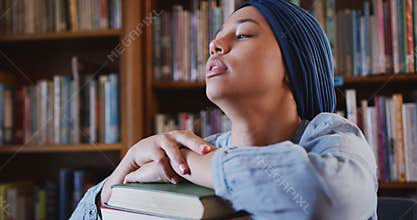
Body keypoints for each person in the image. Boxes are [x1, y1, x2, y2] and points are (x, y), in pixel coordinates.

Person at [71, 0, 378, 219]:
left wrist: (185, 163)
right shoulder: (210, 146)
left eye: (243, 34)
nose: (215, 45)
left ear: (294, 63)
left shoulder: (333, 136)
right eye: (215, 39)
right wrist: (121, 174)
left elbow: (324, 199)